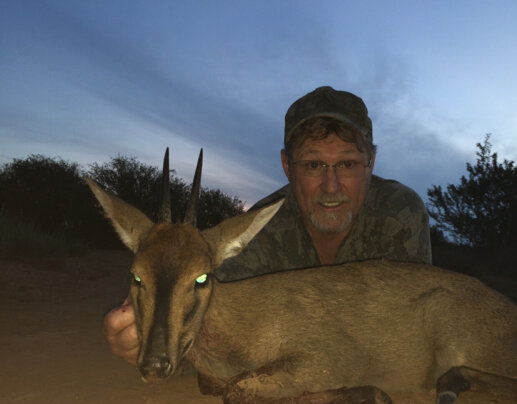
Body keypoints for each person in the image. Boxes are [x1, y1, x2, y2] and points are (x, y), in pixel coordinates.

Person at [103, 86, 432, 365]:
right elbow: (210, 321)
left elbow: (411, 327)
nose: (332, 186)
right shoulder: (259, 229)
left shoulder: (399, 213)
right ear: (287, 166)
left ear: (370, 163)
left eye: (347, 163)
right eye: (313, 164)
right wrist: (146, 329)